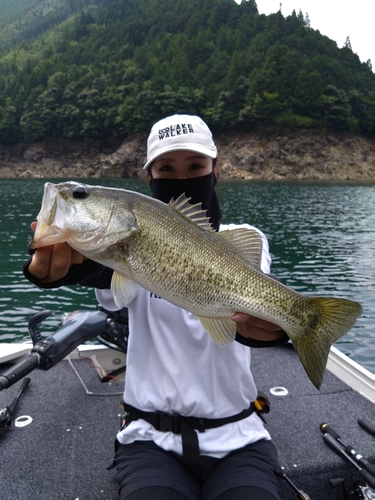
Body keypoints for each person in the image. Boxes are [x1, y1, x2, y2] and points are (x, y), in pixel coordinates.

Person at [24, 114, 289, 500]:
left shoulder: (245, 239)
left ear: (215, 172)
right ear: (150, 176)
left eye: (195, 166)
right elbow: (102, 274)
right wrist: (58, 270)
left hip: (240, 438)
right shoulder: (115, 253)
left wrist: (278, 329)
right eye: (166, 167)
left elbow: (253, 298)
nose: (182, 176)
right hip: (148, 440)